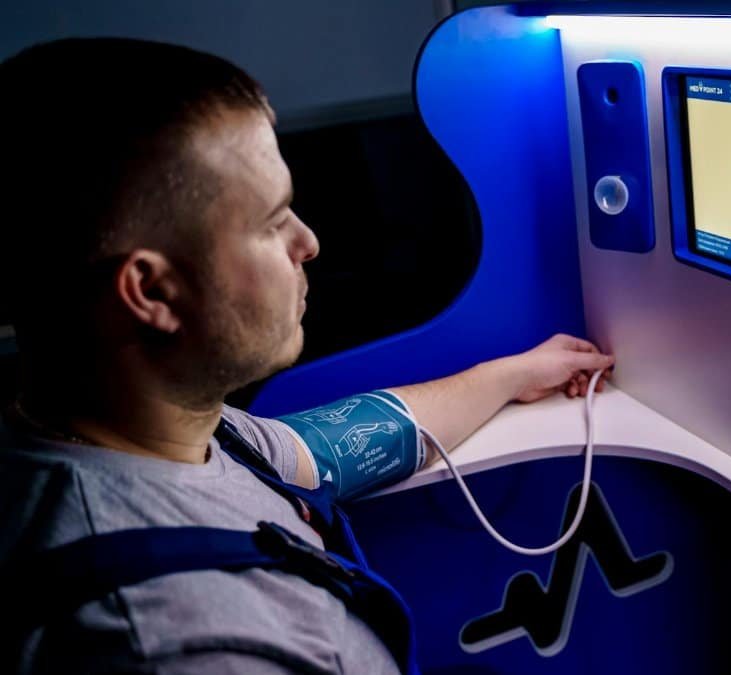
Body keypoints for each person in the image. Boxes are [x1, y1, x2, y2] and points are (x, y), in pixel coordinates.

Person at [0, 38, 613, 673]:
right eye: (271, 222)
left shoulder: (152, 431)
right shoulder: (181, 643)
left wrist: (509, 376)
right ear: (153, 292)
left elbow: (317, 452)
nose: (309, 242)